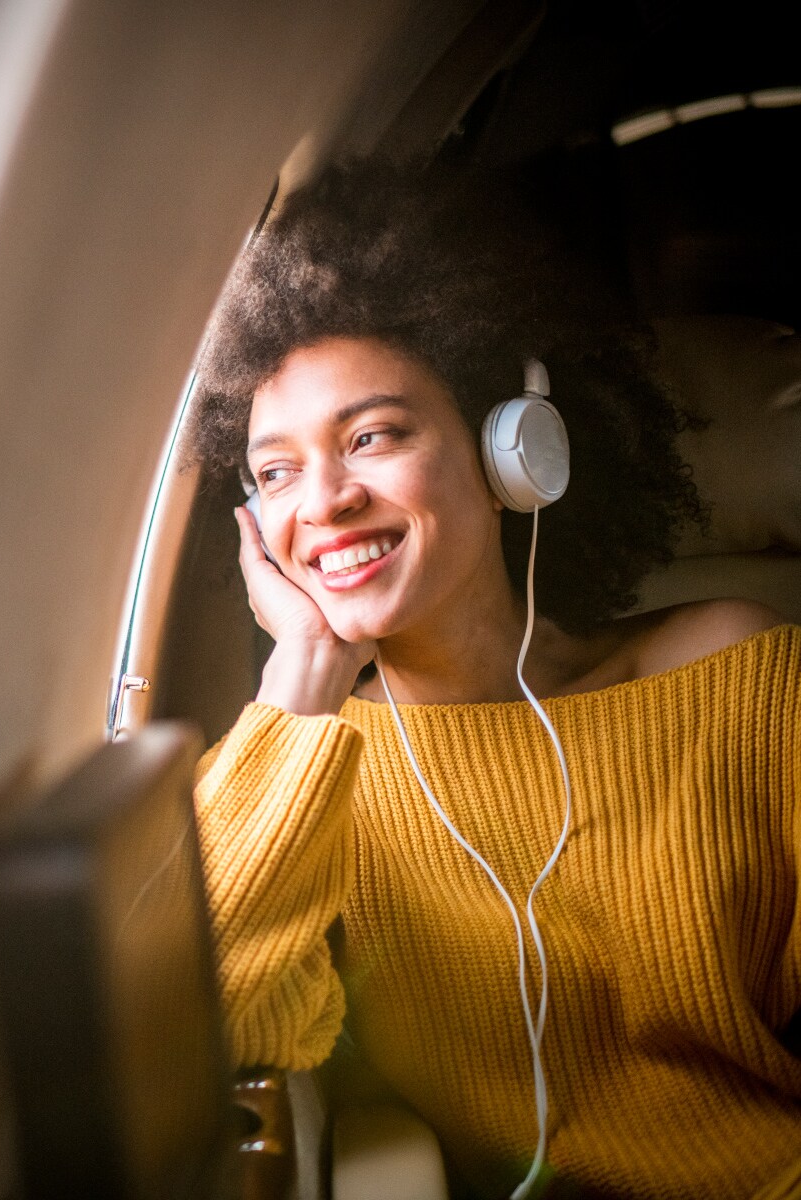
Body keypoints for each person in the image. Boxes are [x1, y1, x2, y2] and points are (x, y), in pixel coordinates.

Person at [187, 160, 800, 1199]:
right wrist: (303, 670)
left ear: (514, 451)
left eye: (371, 436)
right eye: (277, 470)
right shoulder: (299, 776)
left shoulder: (741, 671)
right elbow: (210, 1033)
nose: (323, 501)